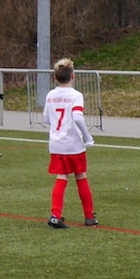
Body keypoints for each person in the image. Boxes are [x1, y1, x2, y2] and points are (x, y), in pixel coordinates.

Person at [43, 58, 97, 229]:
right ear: (73, 76)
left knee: (61, 178)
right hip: (73, 144)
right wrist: (88, 137)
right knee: (81, 176)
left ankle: (55, 215)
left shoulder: (50, 95)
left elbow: (46, 119)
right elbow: (77, 117)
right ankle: (89, 216)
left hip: (56, 144)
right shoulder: (76, 95)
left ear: (55, 78)